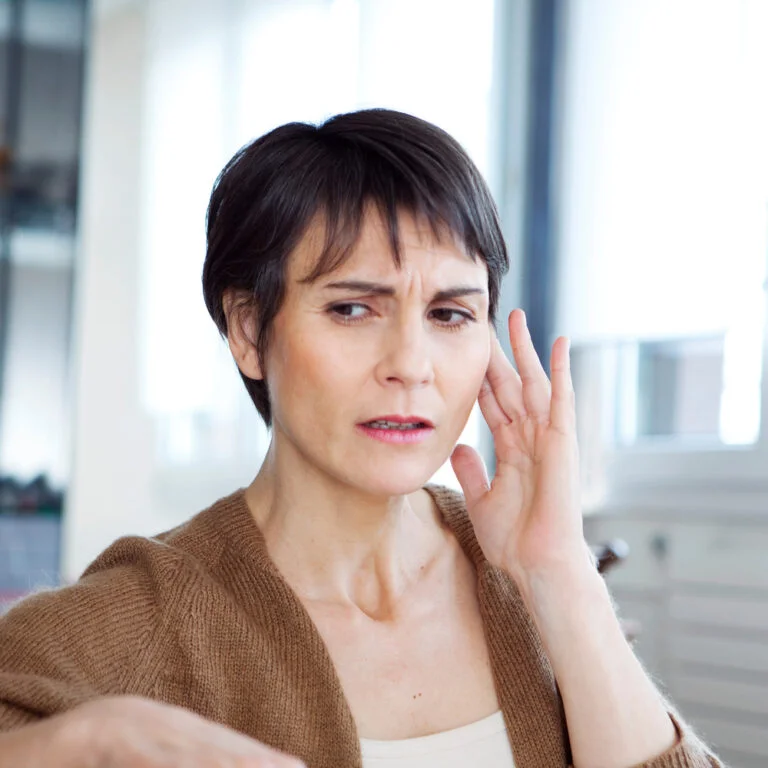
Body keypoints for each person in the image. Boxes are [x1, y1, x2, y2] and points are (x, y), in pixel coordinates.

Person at [0, 109, 721, 768]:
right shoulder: (149, 615)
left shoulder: (528, 579)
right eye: (352, 308)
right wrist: (87, 738)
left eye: (449, 315)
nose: (410, 365)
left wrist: (561, 575)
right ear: (250, 331)